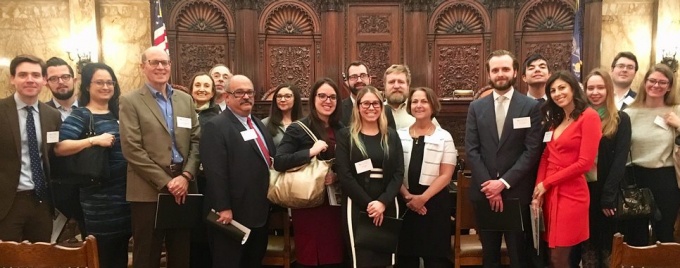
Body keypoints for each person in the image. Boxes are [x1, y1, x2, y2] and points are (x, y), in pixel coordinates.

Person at [119, 46, 201, 268]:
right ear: (142, 67)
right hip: (147, 190)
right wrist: (167, 182)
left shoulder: (185, 100)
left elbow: (197, 141)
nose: (160, 67)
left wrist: (185, 175)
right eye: (154, 62)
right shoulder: (130, 101)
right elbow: (132, 149)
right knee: (147, 255)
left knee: (181, 253)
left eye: (164, 62)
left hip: (183, 187)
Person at [465, 50, 543, 268]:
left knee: (519, 256)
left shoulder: (530, 107)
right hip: (484, 193)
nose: (500, 74)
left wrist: (503, 183)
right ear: (488, 73)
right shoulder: (476, 107)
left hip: (516, 194)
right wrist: (490, 187)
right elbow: (471, 150)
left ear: (515, 72)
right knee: (489, 256)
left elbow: (531, 151)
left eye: (505, 69)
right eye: (495, 70)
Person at [54, 63, 131, 268]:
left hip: (125, 198)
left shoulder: (120, 113)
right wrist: (93, 140)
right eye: (99, 82)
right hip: (99, 201)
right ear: (88, 86)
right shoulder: (82, 114)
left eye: (109, 82)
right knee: (102, 256)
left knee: (120, 254)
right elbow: (60, 147)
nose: (105, 86)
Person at [201, 74, 275, 268]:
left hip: (259, 211)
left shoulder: (257, 123)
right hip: (231, 215)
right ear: (227, 97)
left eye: (249, 92)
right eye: (239, 92)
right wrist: (223, 207)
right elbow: (215, 172)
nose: (246, 97)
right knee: (230, 262)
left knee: (254, 260)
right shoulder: (216, 126)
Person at [531, 70, 602, 268]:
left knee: (560, 257)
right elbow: (546, 156)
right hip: (550, 192)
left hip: (571, 193)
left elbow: (584, 164)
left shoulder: (589, 117)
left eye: (562, 87)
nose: (557, 93)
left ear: (573, 88)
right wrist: (539, 189)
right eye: (552, 90)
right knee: (551, 254)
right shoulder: (557, 119)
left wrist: (547, 183)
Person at [274, 78, 345, 267]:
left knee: (335, 256)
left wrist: (337, 176)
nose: (327, 101)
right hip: (308, 203)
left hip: (335, 204)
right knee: (310, 256)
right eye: (322, 96)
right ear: (313, 99)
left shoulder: (342, 129)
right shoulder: (298, 128)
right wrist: (310, 152)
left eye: (332, 97)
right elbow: (280, 161)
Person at [336, 86, 404, 268]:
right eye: (366, 103)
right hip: (357, 204)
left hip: (387, 203)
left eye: (376, 103)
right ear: (358, 107)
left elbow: (398, 173)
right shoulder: (345, 136)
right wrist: (369, 205)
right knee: (361, 260)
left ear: (382, 107)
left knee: (386, 260)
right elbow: (344, 175)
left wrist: (382, 203)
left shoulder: (391, 135)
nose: (371, 107)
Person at [0, 55, 62, 242]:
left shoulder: (52, 115)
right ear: (13, 79)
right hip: (7, 203)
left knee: (40, 258)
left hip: (41, 201)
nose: (29, 79)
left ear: (44, 80)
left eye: (35, 75)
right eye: (23, 74)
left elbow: (53, 155)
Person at [397, 87, 456, 267]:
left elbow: (446, 174)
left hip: (434, 204)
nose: (419, 105)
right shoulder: (399, 135)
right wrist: (408, 197)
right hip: (405, 202)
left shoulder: (444, 136)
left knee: (436, 258)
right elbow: (394, 171)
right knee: (406, 257)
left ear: (432, 105)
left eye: (424, 101)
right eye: (414, 101)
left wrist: (423, 198)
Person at [623, 63, 680, 246]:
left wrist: (679, 125)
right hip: (635, 178)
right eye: (652, 81)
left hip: (665, 178)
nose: (656, 85)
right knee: (635, 235)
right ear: (644, 83)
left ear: (669, 86)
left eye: (662, 82)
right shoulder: (628, 113)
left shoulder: (676, 110)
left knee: (664, 233)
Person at [580, 69, 631, 266]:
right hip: (583, 188)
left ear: (608, 90)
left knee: (607, 245)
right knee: (588, 243)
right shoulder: (579, 117)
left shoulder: (620, 119)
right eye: (590, 88)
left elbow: (620, 160)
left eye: (600, 87)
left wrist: (608, 196)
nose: (595, 92)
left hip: (607, 190)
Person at [44, 56, 87, 240]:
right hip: (57, 192)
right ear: (46, 83)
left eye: (65, 77)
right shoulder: (41, 113)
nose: (60, 82)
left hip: (91, 189)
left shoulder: (92, 107)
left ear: (74, 79)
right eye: (54, 78)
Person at [187, 71, 219, 268]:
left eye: (207, 86)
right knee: (188, 229)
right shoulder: (181, 112)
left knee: (205, 229)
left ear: (213, 91)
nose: (201, 89)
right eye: (198, 85)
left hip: (208, 181)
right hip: (186, 179)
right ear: (191, 89)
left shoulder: (217, 117)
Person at [340, 61, 396, 129]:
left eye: (363, 75)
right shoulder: (339, 110)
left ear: (370, 79)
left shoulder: (385, 110)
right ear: (347, 82)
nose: (359, 80)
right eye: (354, 77)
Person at [383, 64, 439, 129]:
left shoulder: (421, 110)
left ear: (408, 85)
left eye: (401, 82)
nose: (396, 86)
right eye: (392, 82)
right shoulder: (376, 111)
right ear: (384, 85)